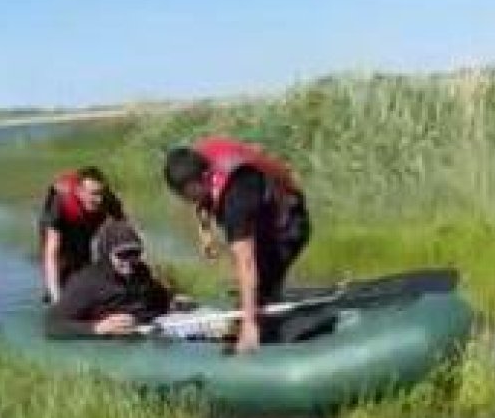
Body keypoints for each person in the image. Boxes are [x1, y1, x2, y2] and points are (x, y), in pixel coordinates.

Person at [162, 137, 311, 354]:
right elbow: (200, 201)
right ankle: (253, 311)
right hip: (259, 207)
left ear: (206, 177)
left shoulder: (236, 200)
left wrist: (249, 323)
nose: (186, 200)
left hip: (287, 223)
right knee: (250, 289)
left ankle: (268, 340)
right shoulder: (199, 158)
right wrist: (205, 231)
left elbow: (246, 262)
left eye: (188, 194)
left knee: (261, 286)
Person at [45, 219, 185, 339]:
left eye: (135, 253)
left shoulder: (142, 273)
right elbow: (52, 326)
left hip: (141, 335)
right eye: (122, 254)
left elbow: (159, 302)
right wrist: (96, 329)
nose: (129, 261)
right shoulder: (86, 283)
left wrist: (174, 304)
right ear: (107, 254)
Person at [38, 165, 124, 302]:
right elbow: (51, 253)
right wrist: (58, 302)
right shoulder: (59, 203)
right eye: (93, 194)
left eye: (101, 193)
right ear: (79, 191)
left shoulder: (108, 200)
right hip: (61, 225)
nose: (99, 199)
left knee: (84, 263)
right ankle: (53, 293)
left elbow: (125, 232)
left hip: (85, 223)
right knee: (64, 266)